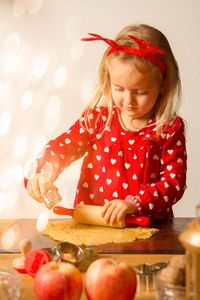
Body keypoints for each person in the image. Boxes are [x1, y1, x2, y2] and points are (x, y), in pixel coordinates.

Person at [25, 24, 187, 226]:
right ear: (108, 80)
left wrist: (134, 202)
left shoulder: (169, 129)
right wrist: (41, 173)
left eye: (141, 92)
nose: (129, 100)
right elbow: (61, 149)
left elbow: (174, 184)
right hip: (93, 228)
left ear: (162, 84)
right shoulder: (97, 120)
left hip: (150, 232)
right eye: (119, 88)